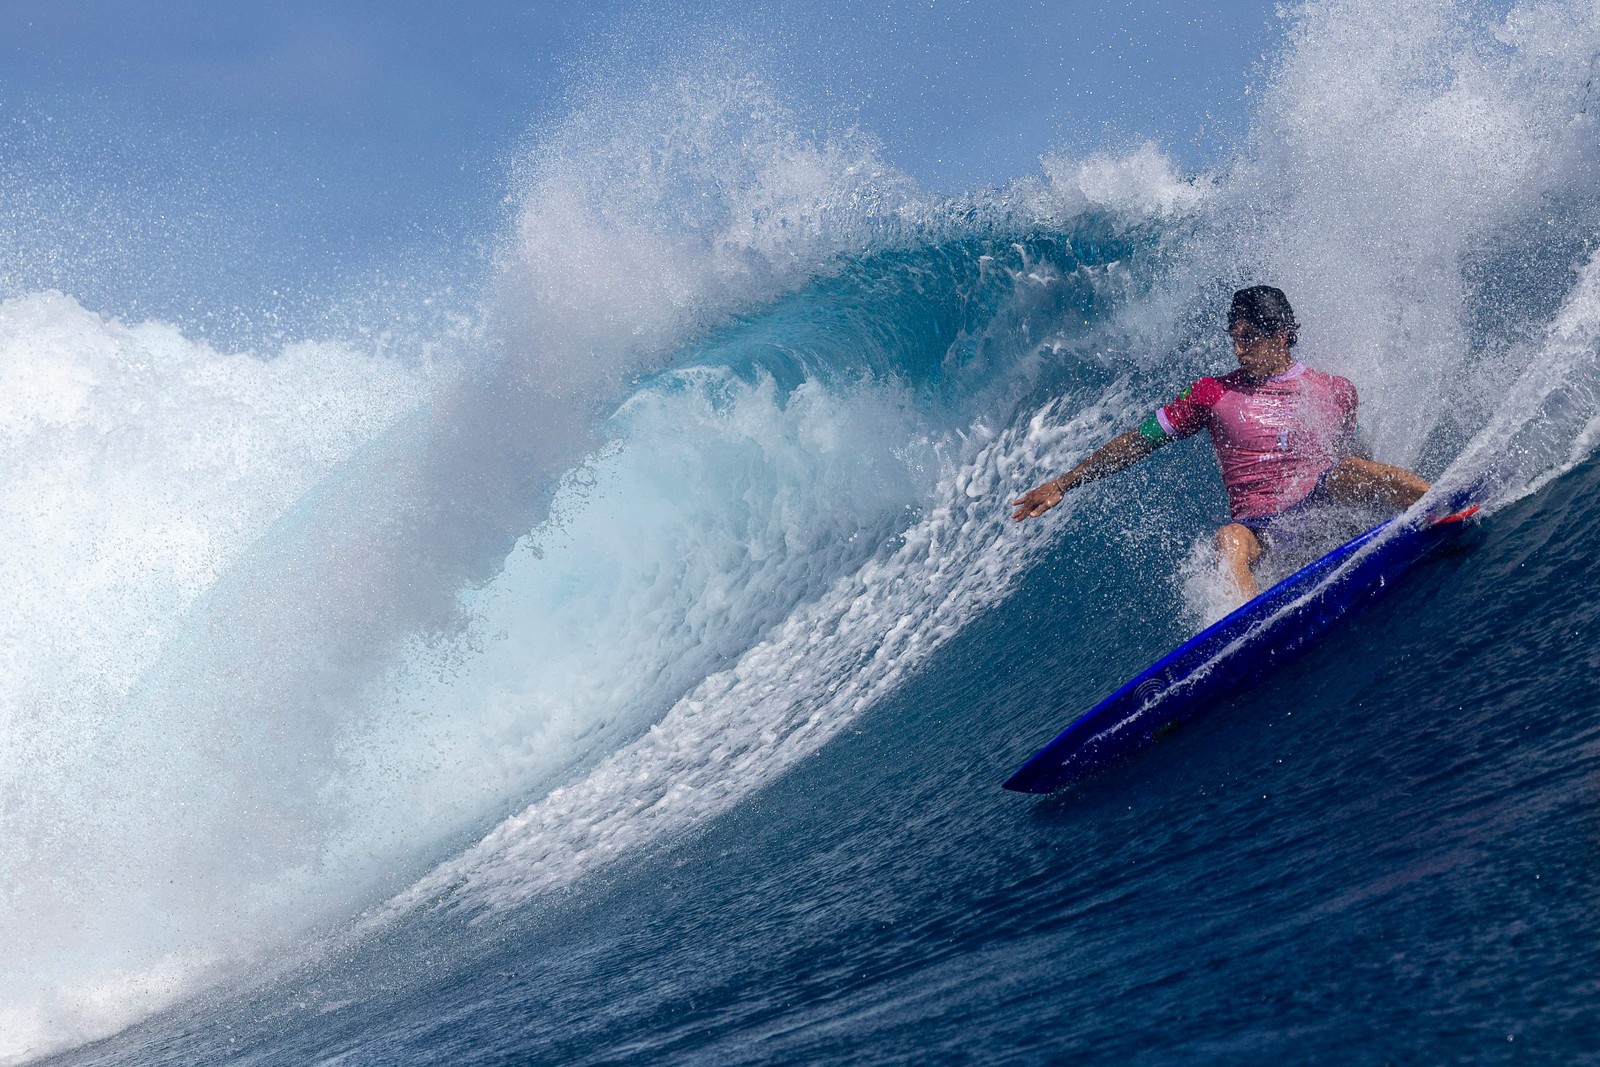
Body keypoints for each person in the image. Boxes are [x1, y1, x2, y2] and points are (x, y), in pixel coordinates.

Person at [1010, 286, 1431, 601]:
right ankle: (1252, 622)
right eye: (1234, 336)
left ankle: (1440, 504)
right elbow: (1139, 441)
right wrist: (1064, 483)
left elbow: (1359, 464)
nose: (1237, 348)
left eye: (1248, 337)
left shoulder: (1333, 390)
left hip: (1321, 510)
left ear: (1281, 336)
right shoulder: (1212, 394)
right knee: (1230, 538)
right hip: (1262, 533)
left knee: (1349, 470)